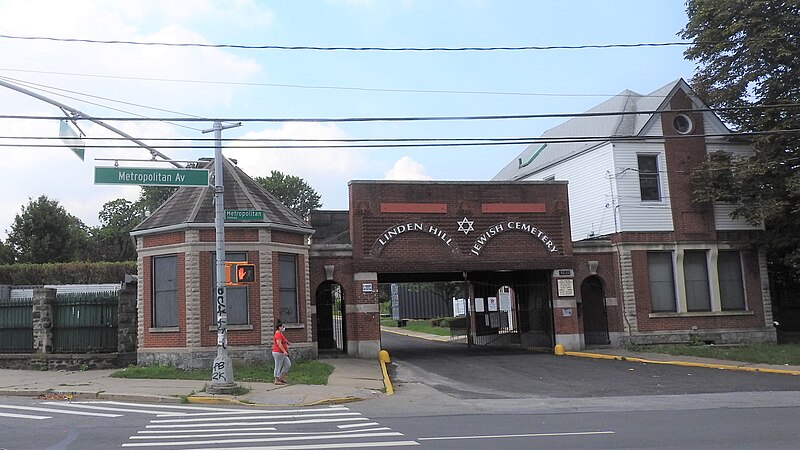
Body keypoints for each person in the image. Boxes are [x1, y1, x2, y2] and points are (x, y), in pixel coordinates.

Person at [272, 320, 291, 385]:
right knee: (278, 366)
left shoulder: (280, 334)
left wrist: (287, 342)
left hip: (282, 353)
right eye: (282, 326)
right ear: (279, 327)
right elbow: (279, 344)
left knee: (288, 364)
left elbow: (284, 339)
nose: (283, 327)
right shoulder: (277, 334)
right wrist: (284, 351)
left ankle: (281, 377)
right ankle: (276, 380)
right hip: (278, 352)